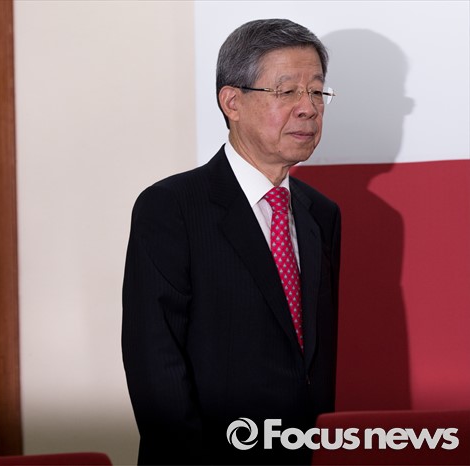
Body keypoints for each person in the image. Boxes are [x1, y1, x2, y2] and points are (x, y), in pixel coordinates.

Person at [122, 19, 341, 465]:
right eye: (287, 91)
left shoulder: (321, 214)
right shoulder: (171, 207)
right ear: (232, 101)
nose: (308, 108)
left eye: (317, 92)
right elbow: (155, 365)